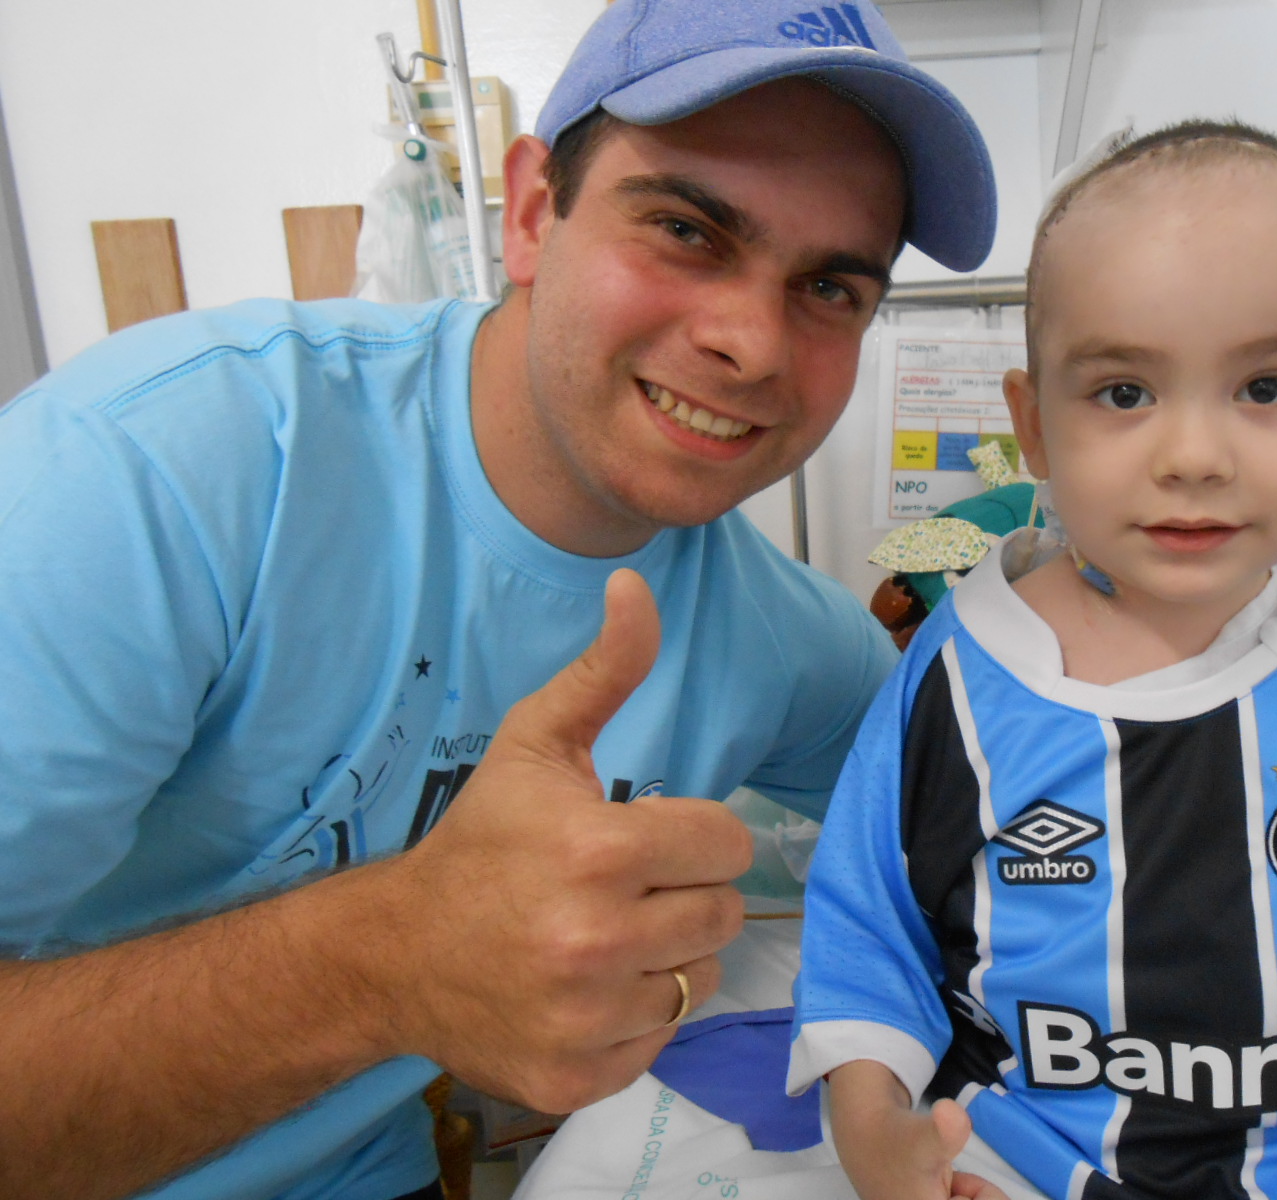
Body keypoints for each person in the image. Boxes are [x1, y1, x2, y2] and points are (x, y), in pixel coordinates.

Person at [0, 2, 997, 1198]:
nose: (752, 343)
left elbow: (1009, 834)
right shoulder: (162, 475)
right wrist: (386, 962)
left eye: (830, 287)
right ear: (532, 212)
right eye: (685, 228)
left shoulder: (783, 640)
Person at [789, 121, 1277, 1200]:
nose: (1194, 458)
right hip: (1027, 1168)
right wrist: (877, 1145)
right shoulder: (952, 687)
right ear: (1034, 428)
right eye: (1123, 392)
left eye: (1266, 388)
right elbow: (865, 941)